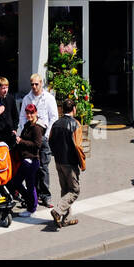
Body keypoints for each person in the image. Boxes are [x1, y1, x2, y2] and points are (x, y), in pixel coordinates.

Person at [19, 73, 58, 207]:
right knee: (31, 167)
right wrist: (22, 135)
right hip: (30, 139)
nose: (34, 87)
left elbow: (54, 118)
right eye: (32, 84)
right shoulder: (27, 98)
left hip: (43, 138)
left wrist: (46, 135)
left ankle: (46, 195)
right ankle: (33, 194)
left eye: (37, 84)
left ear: (41, 83)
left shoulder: (48, 98)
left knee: (43, 167)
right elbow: (22, 118)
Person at [48, 97, 86, 228]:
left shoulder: (56, 124)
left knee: (65, 190)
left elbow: (50, 141)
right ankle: (58, 211)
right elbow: (78, 146)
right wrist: (82, 163)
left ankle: (65, 219)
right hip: (70, 163)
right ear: (74, 109)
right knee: (75, 190)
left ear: (62, 110)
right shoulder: (76, 124)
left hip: (59, 161)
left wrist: (56, 154)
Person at [13, 103, 45, 214]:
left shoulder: (36, 128)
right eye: (27, 113)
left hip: (32, 160)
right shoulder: (27, 125)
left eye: (31, 113)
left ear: (35, 113)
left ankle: (32, 208)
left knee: (29, 185)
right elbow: (22, 138)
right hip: (26, 160)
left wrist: (21, 141)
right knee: (18, 182)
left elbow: (37, 145)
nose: (29, 115)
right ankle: (31, 203)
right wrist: (17, 137)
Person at [0, 76, 20, 150]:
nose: (6, 90)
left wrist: (15, 129)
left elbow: (15, 115)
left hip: (10, 133)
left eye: (7, 87)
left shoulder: (10, 98)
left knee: (12, 155)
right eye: (3, 88)